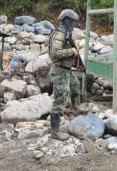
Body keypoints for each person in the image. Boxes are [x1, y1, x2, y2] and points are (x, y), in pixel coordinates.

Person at [48, 9, 82, 140]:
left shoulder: (66, 33)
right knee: (60, 98)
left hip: (66, 69)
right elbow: (55, 53)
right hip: (59, 70)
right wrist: (71, 51)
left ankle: (76, 110)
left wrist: (74, 50)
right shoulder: (60, 35)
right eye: (73, 22)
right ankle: (55, 132)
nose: (74, 25)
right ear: (67, 20)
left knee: (75, 86)